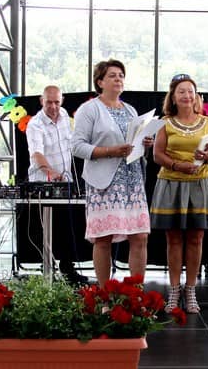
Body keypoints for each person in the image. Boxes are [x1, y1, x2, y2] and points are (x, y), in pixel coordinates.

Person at [72, 59, 153, 284]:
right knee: (103, 238)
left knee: (140, 237)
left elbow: (134, 144)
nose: (118, 79)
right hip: (104, 184)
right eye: (112, 75)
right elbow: (77, 147)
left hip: (132, 183)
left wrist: (144, 143)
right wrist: (110, 151)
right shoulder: (89, 109)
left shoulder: (130, 110)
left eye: (121, 75)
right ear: (100, 82)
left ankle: (136, 294)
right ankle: (105, 294)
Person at [150, 74, 208, 314]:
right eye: (181, 91)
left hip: (200, 184)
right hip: (171, 184)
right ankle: (174, 290)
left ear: (196, 96)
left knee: (196, 238)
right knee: (173, 239)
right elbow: (157, 155)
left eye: (190, 91)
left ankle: (190, 290)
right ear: (173, 97)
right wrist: (177, 165)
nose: (187, 95)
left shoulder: (206, 122)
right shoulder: (165, 123)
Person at [25, 85, 87, 284]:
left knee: (67, 227)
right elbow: (36, 153)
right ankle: (47, 268)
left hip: (65, 183)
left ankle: (68, 269)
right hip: (44, 183)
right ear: (41, 101)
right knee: (46, 229)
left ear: (62, 101)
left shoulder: (65, 116)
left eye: (56, 102)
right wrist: (52, 173)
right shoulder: (35, 125)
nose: (53, 107)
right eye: (49, 102)